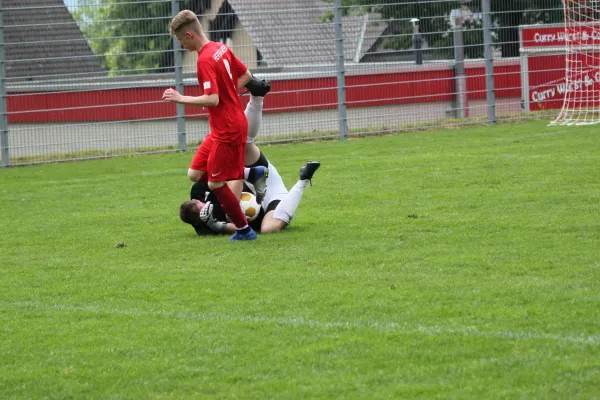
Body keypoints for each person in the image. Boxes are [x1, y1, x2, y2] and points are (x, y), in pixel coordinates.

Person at [162, 10, 269, 241]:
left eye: (180, 40)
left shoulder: (204, 60)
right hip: (225, 125)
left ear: (189, 34)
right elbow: (246, 75)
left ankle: (244, 230)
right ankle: (253, 172)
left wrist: (181, 98)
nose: (181, 44)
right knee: (195, 173)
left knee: (216, 182)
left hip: (227, 129)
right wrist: (226, 93)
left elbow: (213, 99)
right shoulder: (221, 48)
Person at [180, 160, 321, 235]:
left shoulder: (199, 190)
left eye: (201, 204)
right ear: (198, 220)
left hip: (261, 184)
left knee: (246, 145)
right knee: (269, 229)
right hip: (269, 206)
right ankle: (304, 178)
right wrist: (217, 226)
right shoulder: (203, 228)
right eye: (201, 211)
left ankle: (252, 108)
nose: (205, 207)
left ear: (197, 200)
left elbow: (231, 177)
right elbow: (242, 228)